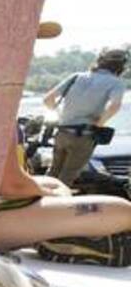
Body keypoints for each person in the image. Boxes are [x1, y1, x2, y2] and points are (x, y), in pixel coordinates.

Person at [0, 132, 131, 262]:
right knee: (125, 211)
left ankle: (56, 231)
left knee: (54, 184)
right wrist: (47, 194)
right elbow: (13, 186)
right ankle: (51, 234)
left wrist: (46, 192)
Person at [43, 47, 127, 184]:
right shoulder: (115, 83)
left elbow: (47, 99)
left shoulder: (76, 76)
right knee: (67, 178)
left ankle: (39, 201)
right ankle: (57, 204)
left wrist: (60, 116)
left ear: (99, 61)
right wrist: (100, 123)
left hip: (62, 132)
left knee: (52, 172)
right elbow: (114, 106)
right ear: (121, 66)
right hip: (83, 136)